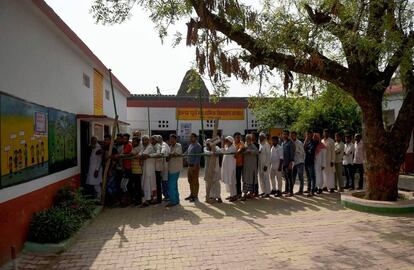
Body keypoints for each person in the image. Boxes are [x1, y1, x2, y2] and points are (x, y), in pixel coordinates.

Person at [185, 133, 203, 202]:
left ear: (195, 138)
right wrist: (183, 156)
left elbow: (197, 157)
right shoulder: (191, 145)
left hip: (194, 166)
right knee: (190, 181)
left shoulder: (198, 146)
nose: (190, 138)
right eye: (190, 137)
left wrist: (195, 166)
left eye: (192, 137)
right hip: (189, 165)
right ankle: (191, 194)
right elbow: (187, 152)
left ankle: (195, 195)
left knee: (195, 181)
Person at [166, 134, 183, 207]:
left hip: (175, 169)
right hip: (171, 168)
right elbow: (168, 157)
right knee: (174, 185)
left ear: (175, 139)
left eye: (172, 139)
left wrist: (169, 155)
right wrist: (169, 155)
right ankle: (176, 200)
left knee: (171, 185)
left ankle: (173, 201)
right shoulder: (170, 147)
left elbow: (174, 154)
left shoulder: (178, 145)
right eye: (170, 139)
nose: (171, 140)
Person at [204, 139, 222, 203]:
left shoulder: (216, 147)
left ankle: (218, 196)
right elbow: (206, 152)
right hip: (208, 168)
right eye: (207, 144)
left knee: (216, 183)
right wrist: (212, 153)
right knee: (209, 183)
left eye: (209, 143)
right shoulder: (205, 148)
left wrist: (215, 152)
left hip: (215, 168)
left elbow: (220, 151)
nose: (208, 145)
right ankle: (210, 196)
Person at [241, 134, 259, 201]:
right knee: (246, 180)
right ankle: (245, 193)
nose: (247, 139)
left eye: (249, 138)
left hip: (252, 166)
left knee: (251, 180)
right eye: (247, 138)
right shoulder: (244, 145)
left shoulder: (252, 145)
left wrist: (250, 151)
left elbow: (257, 152)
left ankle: (249, 194)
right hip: (246, 166)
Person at [140, 135, 156, 207]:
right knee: (146, 185)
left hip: (149, 169)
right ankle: (147, 199)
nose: (144, 142)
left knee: (148, 185)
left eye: (145, 140)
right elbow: (140, 154)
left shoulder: (149, 147)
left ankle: (147, 200)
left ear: (148, 140)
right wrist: (141, 156)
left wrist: (141, 156)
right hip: (145, 169)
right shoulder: (143, 147)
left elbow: (143, 154)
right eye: (143, 140)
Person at [221, 136, 237, 202]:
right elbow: (223, 151)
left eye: (227, 141)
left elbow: (225, 152)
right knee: (228, 181)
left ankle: (234, 196)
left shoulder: (233, 147)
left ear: (230, 141)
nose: (226, 142)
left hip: (231, 167)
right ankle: (231, 195)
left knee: (232, 182)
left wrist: (222, 143)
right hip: (227, 167)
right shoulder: (227, 146)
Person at [282, 130, 295, 197]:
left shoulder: (290, 143)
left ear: (288, 135)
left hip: (288, 163)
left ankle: (291, 192)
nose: (284, 135)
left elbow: (292, 154)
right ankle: (286, 190)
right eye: (283, 134)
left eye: (285, 134)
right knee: (286, 178)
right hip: (284, 163)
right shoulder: (283, 143)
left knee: (290, 178)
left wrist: (290, 163)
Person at [130, 137, 143, 206]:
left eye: (134, 141)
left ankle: (139, 201)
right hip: (134, 169)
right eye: (132, 141)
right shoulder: (133, 147)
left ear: (138, 142)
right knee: (136, 186)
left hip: (138, 170)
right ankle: (137, 200)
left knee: (138, 186)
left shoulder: (138, 148)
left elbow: (131, 154)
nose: (132, 142)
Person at [258, 132, 271, 198]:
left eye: (261, 137)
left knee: (266, 178)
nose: (260, 138)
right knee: (261, 178)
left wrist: (266, 165)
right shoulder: (260, 144)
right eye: (259, 136)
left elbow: (269, 156)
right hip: (260, 164)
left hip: (265, 165)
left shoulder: (266, 145)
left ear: (264, 137)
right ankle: (263, 191)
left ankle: (267, 192)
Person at [304, 131, 317, 196]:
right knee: (308, 176)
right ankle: (308, 188)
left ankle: (312, 190)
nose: (307, 136)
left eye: (308, 135)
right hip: (306, 161)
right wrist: (305, 141)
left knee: (312, 177)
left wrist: (306, 149)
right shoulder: (307, 142)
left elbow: (310, 151)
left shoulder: (313, 142)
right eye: (306, 135)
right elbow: (304, 148)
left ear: (311, 135)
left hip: (311, 161)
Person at [151, 135, 163, 204]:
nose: (151, 141)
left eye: (153, 140)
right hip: (155, 167)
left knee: (158, 184)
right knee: (156, 183)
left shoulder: (158, 146)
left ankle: (159, 199)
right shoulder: (154, 146)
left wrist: (150, 155)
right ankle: (157, 198)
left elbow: (158, 154)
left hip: (157, 168)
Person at [158, 135, 170, 201]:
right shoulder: (160, 144)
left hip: (164, 166)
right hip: (162, 166)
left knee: (165, 181)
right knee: (163, 181)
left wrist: (160, 153)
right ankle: (165, 195)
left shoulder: (164, 145)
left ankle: (167, 195)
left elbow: (163, 151)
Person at [233, 132, 244, 198]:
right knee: (233, 179)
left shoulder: (241, 143)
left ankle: (239, 193)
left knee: (238, 179)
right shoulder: (233, 143)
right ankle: (234, 193)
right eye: (237, 137)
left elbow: (241, 148)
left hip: (239, 164)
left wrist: (237, 153)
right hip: (232, 164)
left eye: (239, 137)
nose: (238, 138)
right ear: (234, 138)